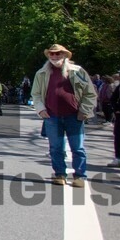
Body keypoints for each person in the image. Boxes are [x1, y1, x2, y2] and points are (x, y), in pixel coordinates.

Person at [30, 44, 97, 187]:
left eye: (58, 54)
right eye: (52, 54)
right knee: (55, 148)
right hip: (52, 116)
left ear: (64, 55)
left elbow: (90, 93)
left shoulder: (77, 71)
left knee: (77, 147)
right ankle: (60, 174)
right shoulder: (41, 73)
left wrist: (84, 111)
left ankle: (80, 176)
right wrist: (41, 109)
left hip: (74, 115)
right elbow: (35, 94)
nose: (55, 56)